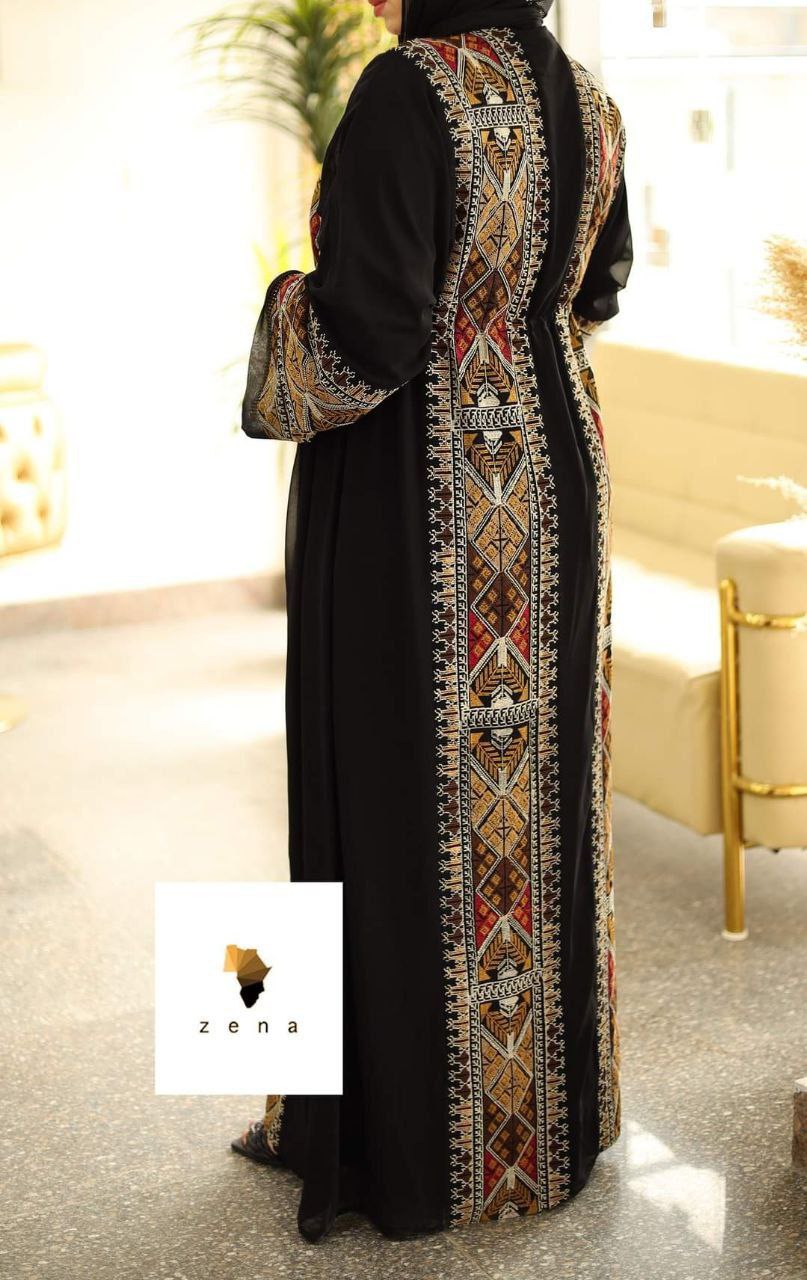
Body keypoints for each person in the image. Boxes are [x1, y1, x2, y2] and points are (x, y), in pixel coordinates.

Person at [232, 0, 633, 1245]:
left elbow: (368, 331)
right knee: (542, 807)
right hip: (554, 489)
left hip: (415, 499)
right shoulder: (592, 100)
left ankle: (383, 1140)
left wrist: (278, 311)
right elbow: (598, 289)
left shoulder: (407, 90)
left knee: (384, 792)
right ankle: (540, 1130)